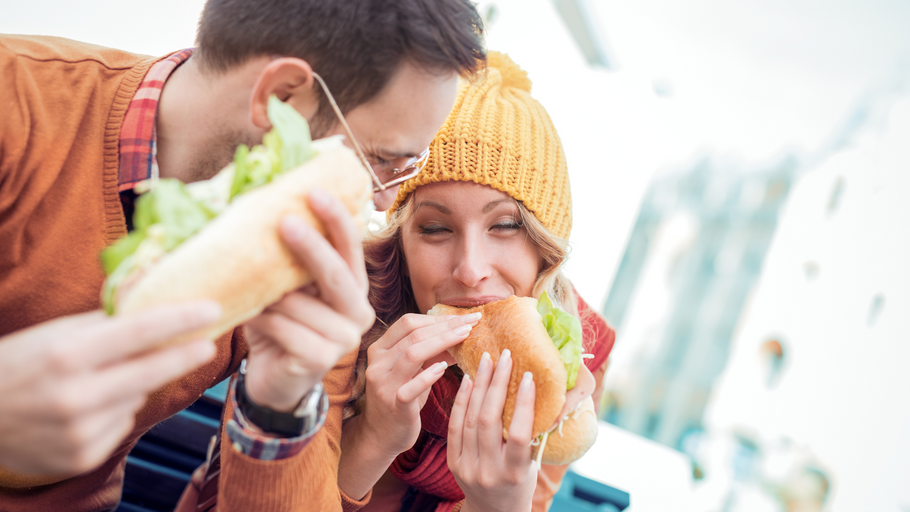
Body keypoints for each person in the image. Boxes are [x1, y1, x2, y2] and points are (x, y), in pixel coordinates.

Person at [0, 0, 485, 509]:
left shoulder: (314, 262)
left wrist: (281, 410)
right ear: (281, 97)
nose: (385, 199)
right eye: (383, 159)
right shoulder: (19, 105)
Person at [334, 53, 616, 512]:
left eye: (505, 226)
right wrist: (371, 437)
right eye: (435, 229)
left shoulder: (578, 357)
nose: (470, 269)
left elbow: (538, 497)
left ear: (546, 245)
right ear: (401, 241)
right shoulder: (341, 305)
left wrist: (497, 505)